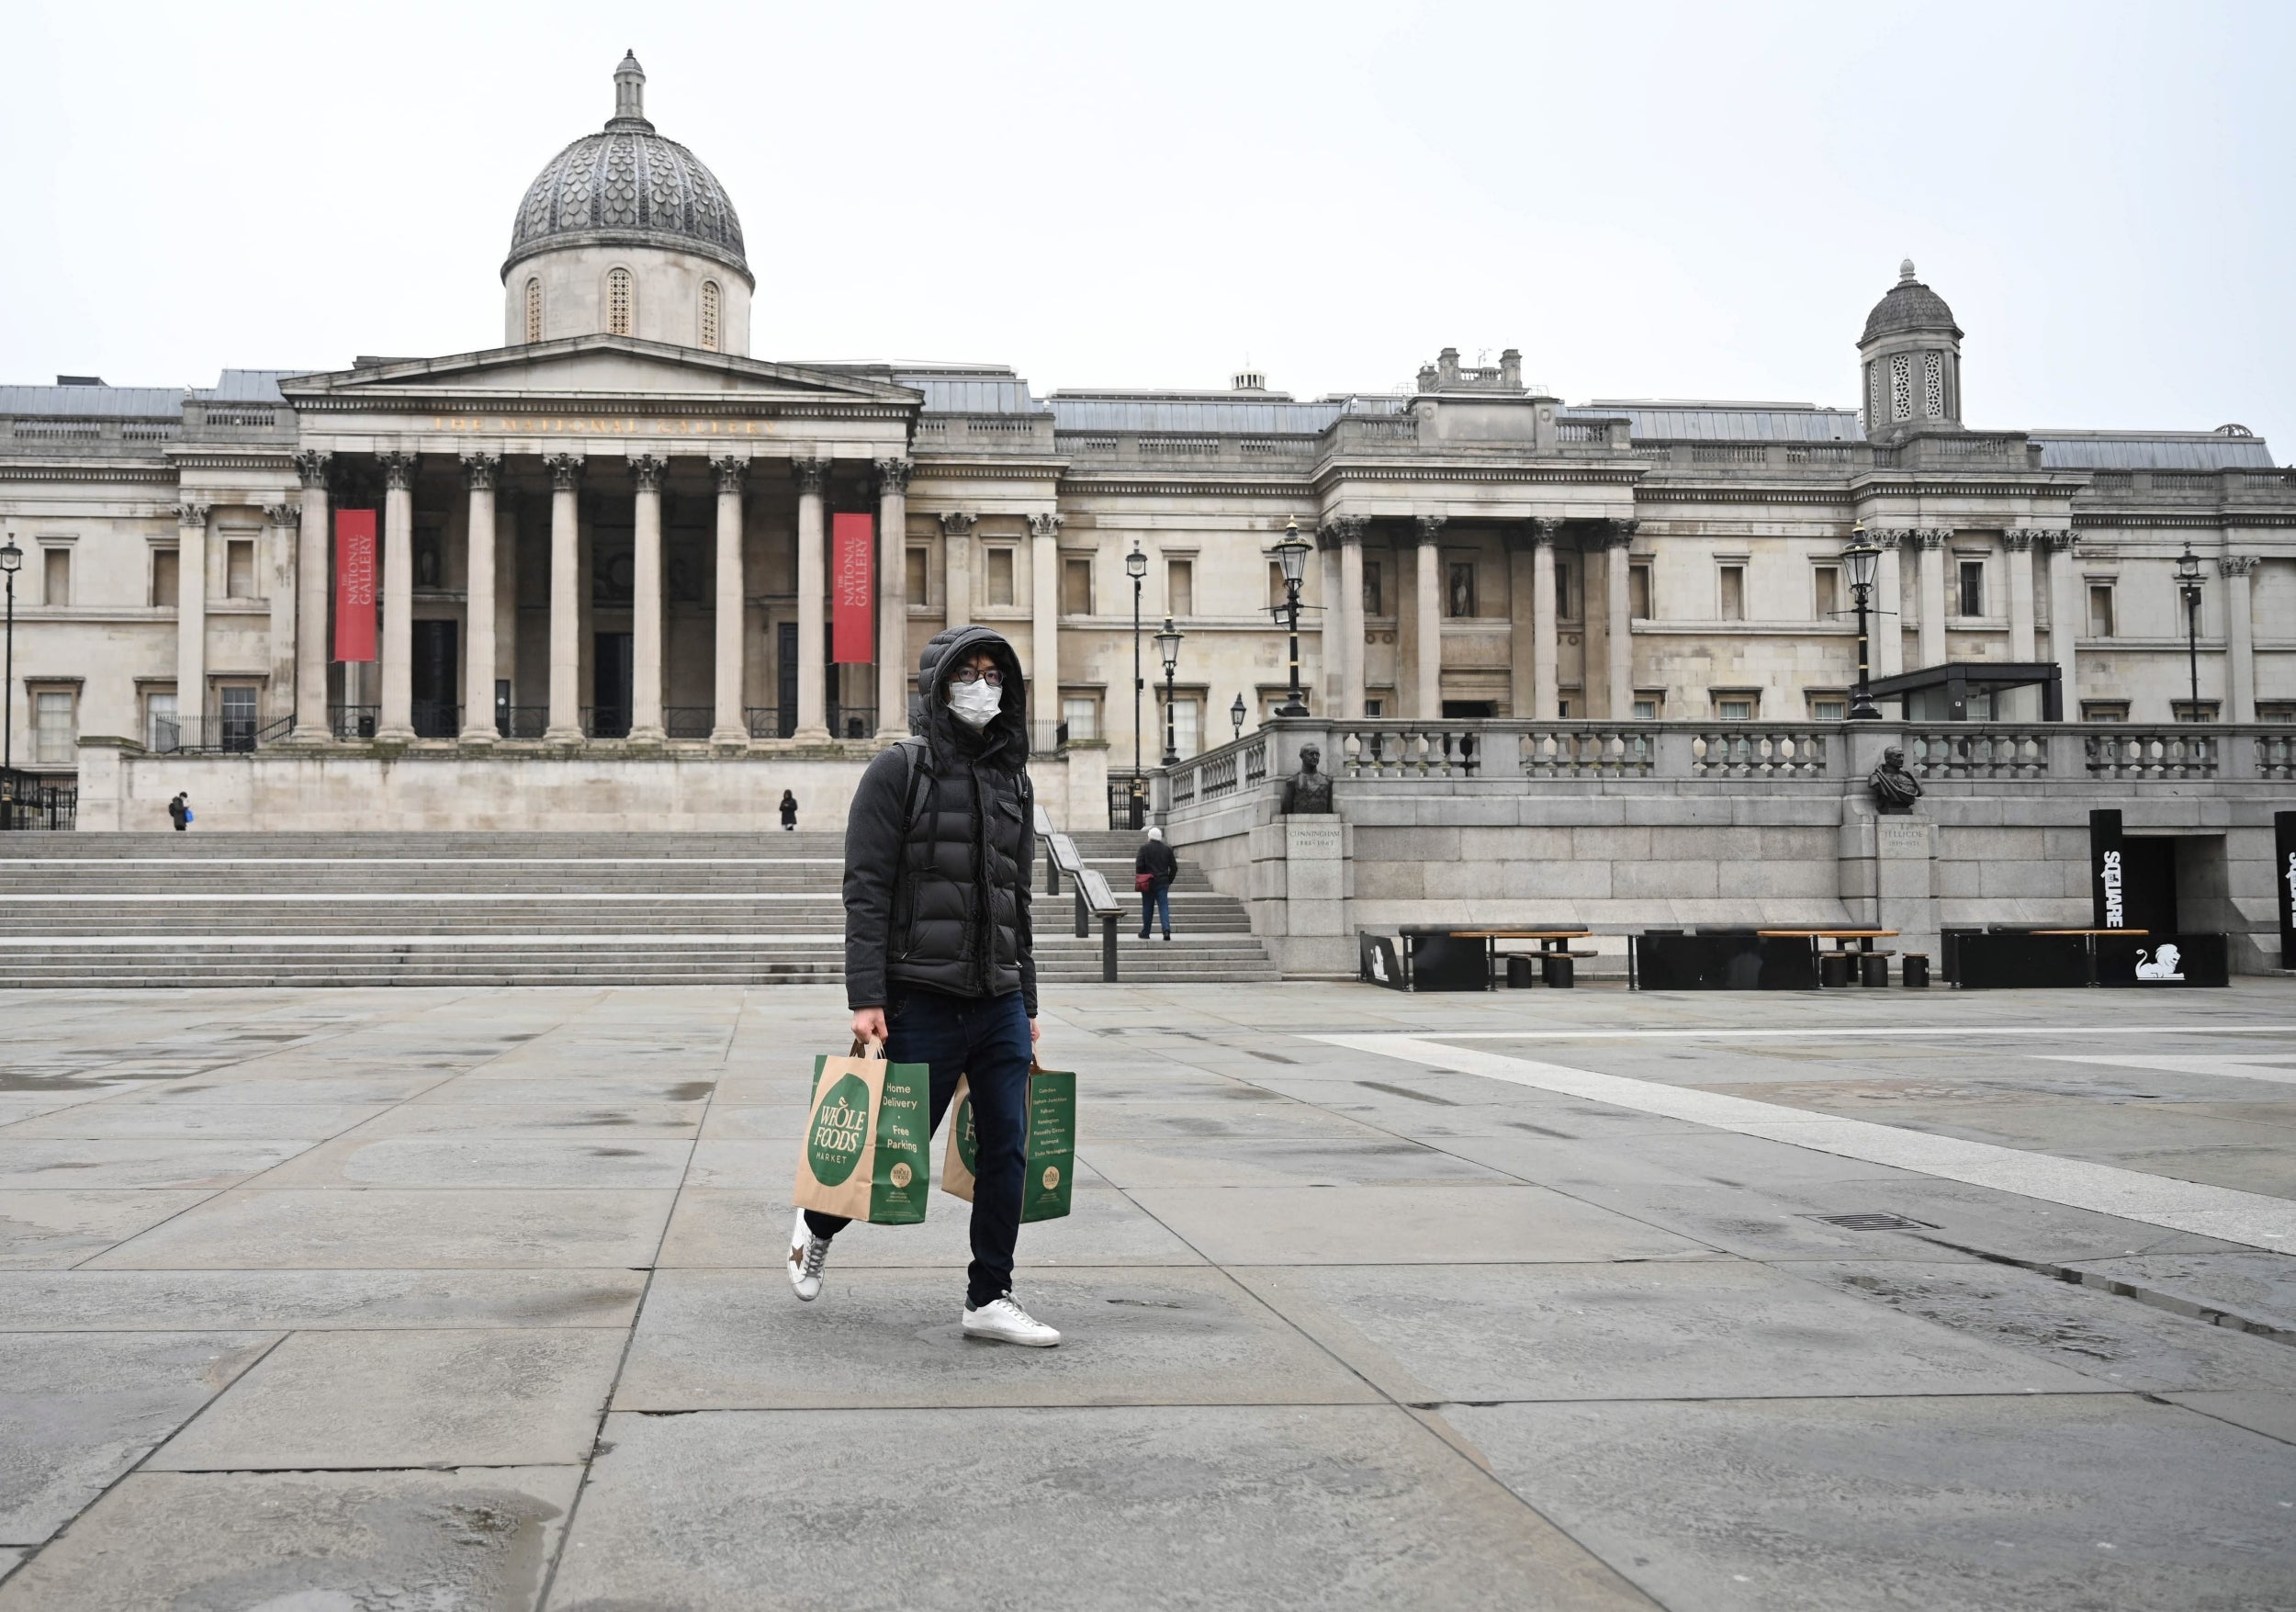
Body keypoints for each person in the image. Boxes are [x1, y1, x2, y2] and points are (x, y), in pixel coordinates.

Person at [791, 625, 1057, 1347]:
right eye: (967, 674)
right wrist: (866, 995)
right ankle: (815, 1226)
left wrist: (1027, 1000)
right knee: (887, 1148)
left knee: (1007, 1146)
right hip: (922, 992)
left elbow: (1017, 898)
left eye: (994, 675)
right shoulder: (896, 770)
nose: (982, 687)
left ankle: (989, 1294)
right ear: (938, 687)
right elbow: (866, 887)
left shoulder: (1014, 779)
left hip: (997, 995)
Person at [1135, 826, 1176, 941]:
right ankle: (1166, 930)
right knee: (1163, 906)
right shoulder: (1167, 849)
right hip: (1162, 882)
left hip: (1148, 882)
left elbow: (1139, 866)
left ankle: (1146, 932)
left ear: (1150, 837)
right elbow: (1174, 867)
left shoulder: (1144, 848)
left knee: (1147, 907)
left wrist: (1142, 875)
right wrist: (1169, 880)